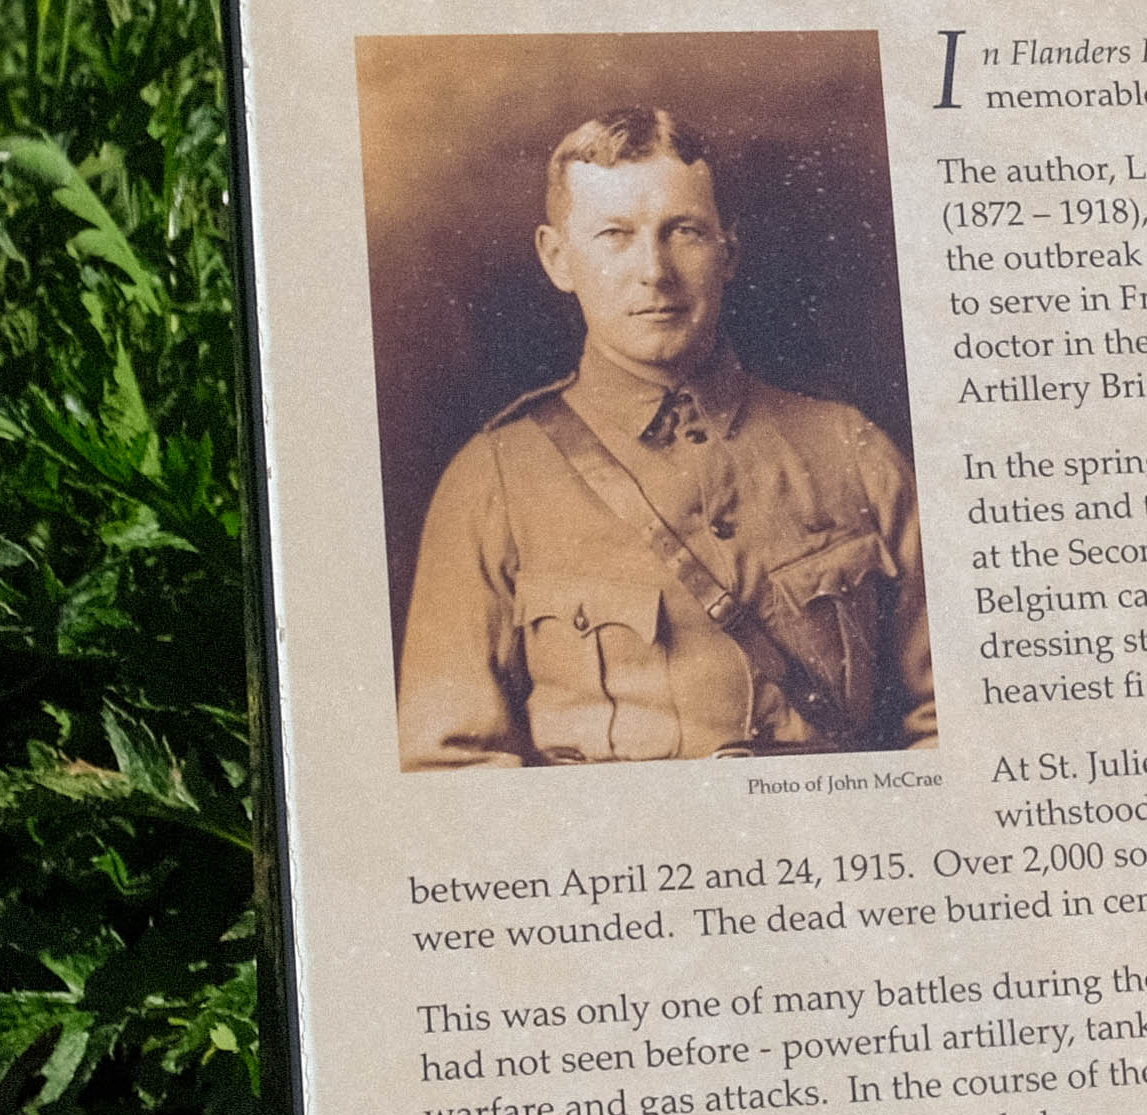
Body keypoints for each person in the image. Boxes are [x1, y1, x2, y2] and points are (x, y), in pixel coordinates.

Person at [395, 105, 933, 765]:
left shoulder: (852, 452)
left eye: (683, 231)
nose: (654, 270)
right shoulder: (494, 481)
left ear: (727, 251)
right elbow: (449, 765)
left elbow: (955, 718)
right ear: (558, 258)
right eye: (615, 235)